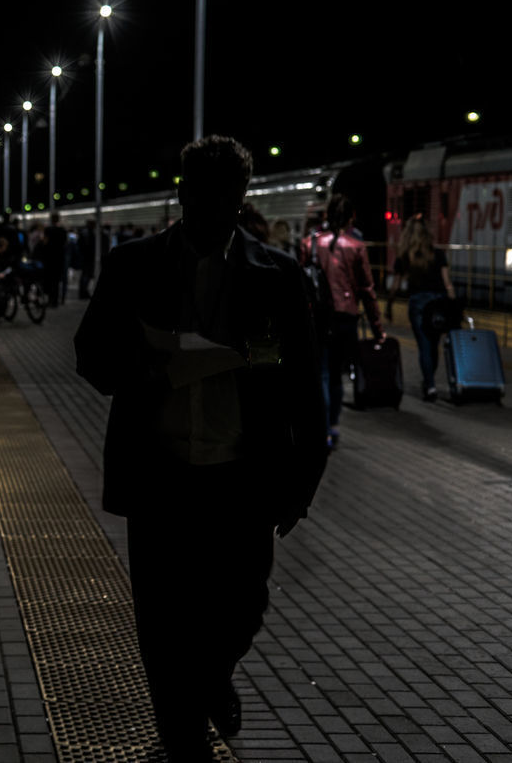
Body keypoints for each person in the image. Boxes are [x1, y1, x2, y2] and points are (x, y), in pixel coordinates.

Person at [75, 135, 328, 762]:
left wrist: (304, 479)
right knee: (162, 623)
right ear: (180, 192)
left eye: (224, 195)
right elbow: (92, 356)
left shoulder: (277, 276)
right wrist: (151, 367)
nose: (210, 206)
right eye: (198, 193)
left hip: (242, 472)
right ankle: (183, 739)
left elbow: (298, 376)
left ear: (240, 199)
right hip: (159, 471)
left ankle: (214, 675)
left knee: (243, 603)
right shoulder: (133, 265)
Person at [299, 193, 385, 449]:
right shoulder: (356, 247)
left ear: (327, 216)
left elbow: (302, 285)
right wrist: (377, 328)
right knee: (336, 376)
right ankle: (334, 427)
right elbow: (367, 290)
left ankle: (322, 428)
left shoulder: (309, 244)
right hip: (346, 317)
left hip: (318, 317)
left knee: (322, 374)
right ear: (351, 218)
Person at [387, 214, 456, 401]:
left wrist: (390, 303)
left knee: (424, 345)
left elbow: (395, 284)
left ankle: (430, 385)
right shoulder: (438, 254)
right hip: (438, 303)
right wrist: (453, 304)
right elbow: (447, 282)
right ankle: (429, 380)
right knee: (434, 346)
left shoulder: (404, 256)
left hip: (418, 303)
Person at [40, 212, 68, 307]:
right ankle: (55, 300)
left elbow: (44, 243)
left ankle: (50, 300)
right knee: (56, 280)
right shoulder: (62, 230)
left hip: (49, 258)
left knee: (49, 279)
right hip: (59, 258)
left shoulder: (48, 230)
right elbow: (64, 244)